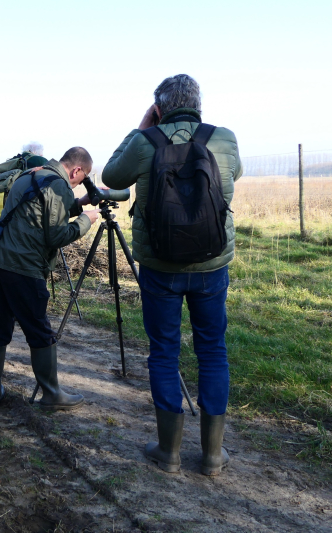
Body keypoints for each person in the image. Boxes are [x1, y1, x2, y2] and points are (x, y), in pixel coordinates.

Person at [102, 74, 242, 476]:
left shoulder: (145, 142)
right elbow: (233, 177)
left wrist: (141, 127)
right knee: (212, 350)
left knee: (163, 350)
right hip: (212, 264)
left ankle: (169, 451)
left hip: (160, 266)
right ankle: (212, 455)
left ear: (159, 108)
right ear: (198, 104)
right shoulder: (224, 138)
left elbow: (112, 177)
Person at [0, 147, 100, 411]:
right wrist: (86, 220)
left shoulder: (32, 174)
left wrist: (78, 204)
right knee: (39, 331)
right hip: (24, 267)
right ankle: (51, 394)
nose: (78, 184)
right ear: (76, 170)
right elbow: (56, 236)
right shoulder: (58, 184)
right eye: (81, 179)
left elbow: (37, 212)